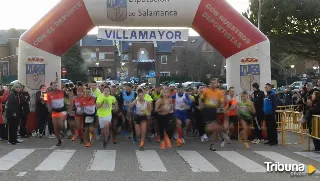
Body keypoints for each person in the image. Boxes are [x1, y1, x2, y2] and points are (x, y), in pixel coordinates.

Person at [200, 77, 224, 151]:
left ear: (217, 84)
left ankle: (212, 145)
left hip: (215, 110)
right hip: (207, 110)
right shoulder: (206, 91)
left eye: (215, 83)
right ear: (210, 84)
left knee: (214, 129)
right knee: (209, 128)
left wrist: (221, 107)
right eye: (212, 83)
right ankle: (221, 136)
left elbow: (222, 102)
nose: (213, 84)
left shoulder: (219, 92)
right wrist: (201, 106)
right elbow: (201, 99)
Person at [47, 81, 67, 146]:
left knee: (60, 124)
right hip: (54, 111)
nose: (55, 87)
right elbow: (48, 103)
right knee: (55, 128)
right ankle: (59, 140)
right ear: (51, 87)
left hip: (62, 111)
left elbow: (69, 97)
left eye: (56, 86)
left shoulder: (62, 92)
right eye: (54, 86)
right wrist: (49, 108)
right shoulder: (49, 94)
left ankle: (63, 129)